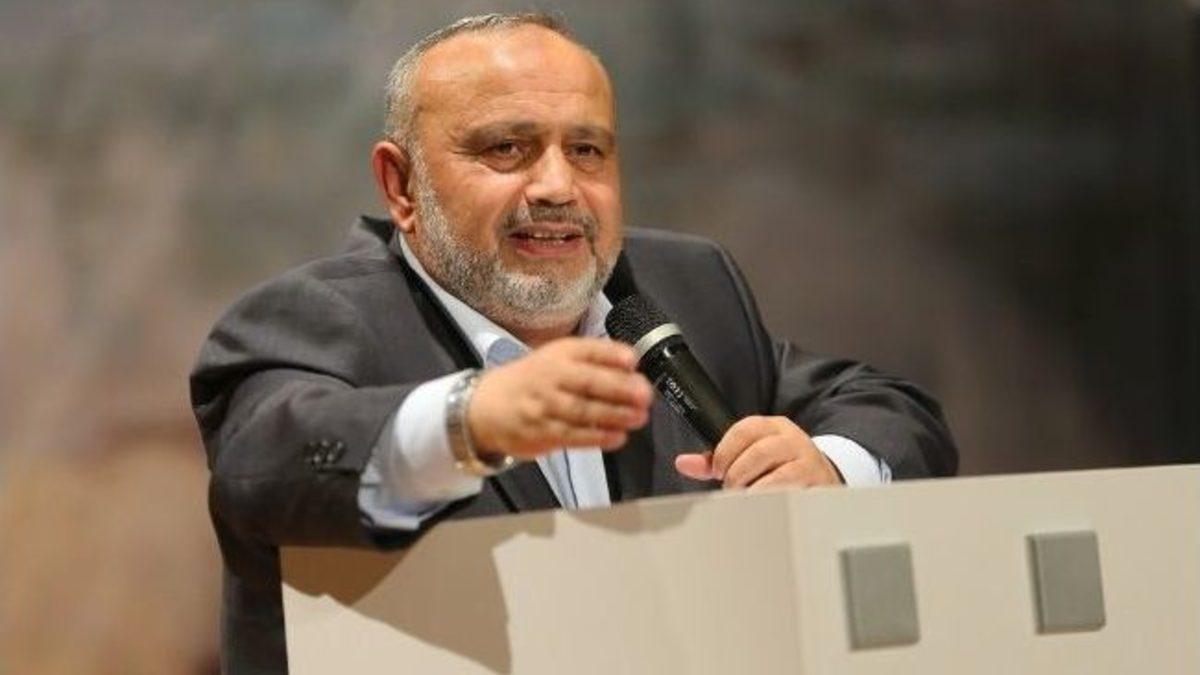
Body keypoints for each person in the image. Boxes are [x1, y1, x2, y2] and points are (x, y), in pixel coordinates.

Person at [190, 12, 957, 673]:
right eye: (506, 148)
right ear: (401, 186)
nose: (558, 187)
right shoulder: (310, 319)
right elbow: (267, 465)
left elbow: (889, 410)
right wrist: (470, 420)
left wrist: (827, 465)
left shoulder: (684, 285)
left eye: (587, 150)